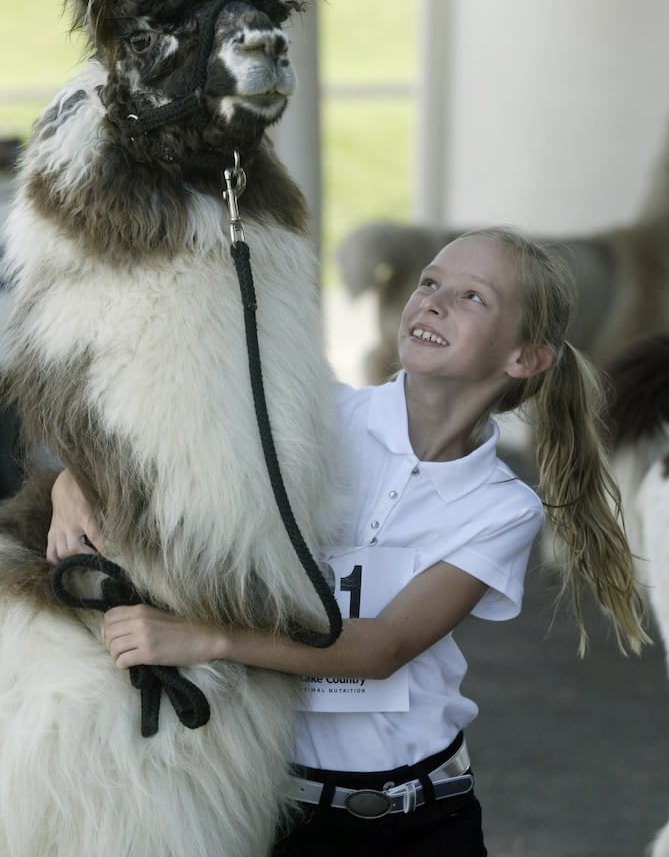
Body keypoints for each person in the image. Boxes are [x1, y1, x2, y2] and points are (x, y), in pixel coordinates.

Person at [48, 226, 648, 857]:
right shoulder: (312, 417)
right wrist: (75, 480)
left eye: (474, 297)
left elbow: (381, 648)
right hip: (280, 812)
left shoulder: (500, 507)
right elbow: (164, 440)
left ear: (524, 358)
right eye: (429, 282)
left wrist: (205, 638)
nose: (434, 302)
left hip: (423, 817)